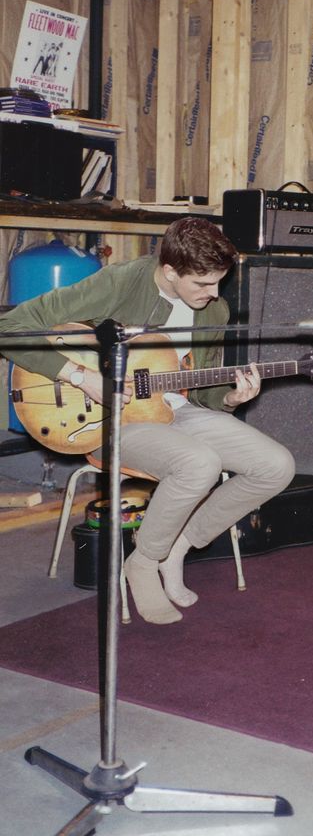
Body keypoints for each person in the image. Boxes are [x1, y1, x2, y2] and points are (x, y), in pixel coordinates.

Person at [0, 218, 295, 625]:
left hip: (175, 410)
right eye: (203, 284)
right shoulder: (121, 283)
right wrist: (82, 377)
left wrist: (230, 396)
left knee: (276, 466)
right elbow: (9, 328)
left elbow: (203, 392)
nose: (214, 293)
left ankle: (176, 548)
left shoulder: (214, 310)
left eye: (219, 282)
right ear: (170, 271)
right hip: (108, 420)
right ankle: (143, 562)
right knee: (199, 463)